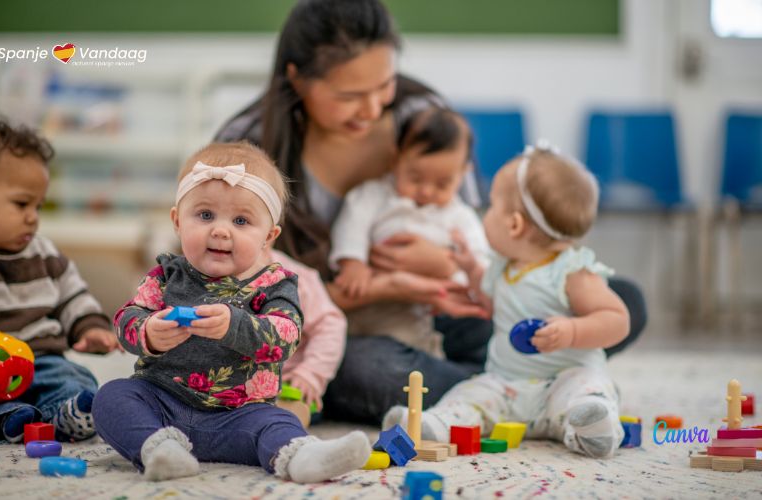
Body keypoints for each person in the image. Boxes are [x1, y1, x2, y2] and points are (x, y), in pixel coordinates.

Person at [215, 0, 647, 423]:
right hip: (333, 327)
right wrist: (389, 285)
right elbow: (240, 288)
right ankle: (532, 385)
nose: (372, 108)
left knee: (621, 301)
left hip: (445, 301)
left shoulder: (422, 117)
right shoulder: (248, 146)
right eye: (349, 95)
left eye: (383, 85)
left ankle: (509, 384)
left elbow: (471, 228)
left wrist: (447, 266)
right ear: (297, 78)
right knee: (366, 372)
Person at [92, 142, 370, 483]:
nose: (221, 230)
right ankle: (159, 450)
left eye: (241, 220)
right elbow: (126, 318)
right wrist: (148, 331)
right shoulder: (165, 275)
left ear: (268, 237)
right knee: (111, 397)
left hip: (240, 416)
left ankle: (303, 457)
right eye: (205, 215)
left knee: (279, 422)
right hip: (163, 403)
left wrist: (234, 325)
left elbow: (285, 336)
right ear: (178, 221)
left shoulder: (275, 283)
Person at [385, 144, 628, 458]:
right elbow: (489, 300)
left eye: (493, 206)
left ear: (514, 224)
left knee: (586, 389)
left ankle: (591, 424)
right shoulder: (503, 266)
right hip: (506, 383)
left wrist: (573, 331)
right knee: (470, 394)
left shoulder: (571, 271)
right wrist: (470, 268)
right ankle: (432, 425)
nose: (486, 212)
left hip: (562, 379)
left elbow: (617, 318)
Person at [0, 109, 118, 444]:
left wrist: (91, 327)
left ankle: (66, 413)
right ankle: (6, 420)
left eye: (38, 206)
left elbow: (73, 295)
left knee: (75, 377)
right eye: (21, 204)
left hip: (41, 360)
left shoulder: (44, 253)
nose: (33, 218)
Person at [330, 107, 489, 357]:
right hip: (371, 298)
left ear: (463, 175)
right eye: (415, 177)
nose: (426, 191)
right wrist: (353, 263)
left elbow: (480, 261)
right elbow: (353, 225)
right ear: (396, 159)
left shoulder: (461, 216)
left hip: (426, 308)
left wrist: (450, 270)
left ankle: (430, 367)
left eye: (442, 183)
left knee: (415, 342)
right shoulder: (374, 195)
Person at [274, 249, 346, 412]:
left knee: (288, 414)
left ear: (271, 234)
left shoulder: (295, 277)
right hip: (221, 390)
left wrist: (310, 373)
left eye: (241, 222)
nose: (222, 231)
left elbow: (329, 325)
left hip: (287, 385)